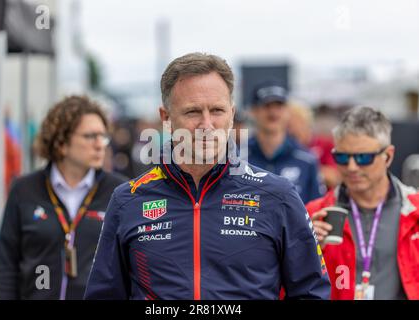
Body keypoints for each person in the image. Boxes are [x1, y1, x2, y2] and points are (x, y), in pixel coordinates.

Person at [84, 53, 330, 300]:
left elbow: (311, 292)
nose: (207, 124)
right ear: (166, 118)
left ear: (232, 114)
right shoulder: (128, 200)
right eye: (192, 112)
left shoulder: (278, 195)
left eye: (217, 110)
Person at [0, 95, 126, 299]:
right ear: (61, 142)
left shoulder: (120, 192)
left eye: (103, 136)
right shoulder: (24, 189)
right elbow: (7, 265)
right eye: (90, 136)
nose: (100, 144)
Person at [308, 106, 419, 300]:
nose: (351, 167)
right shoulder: (315, 213)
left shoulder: (415, 212)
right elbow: (290, 287)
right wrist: (308, 251)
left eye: (363, 158)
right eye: (341, 157)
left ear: (388, 156)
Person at [247, 83, 324, 204]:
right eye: (266, 106)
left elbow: (317, 207)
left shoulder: (307, 160)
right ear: (253, 111)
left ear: (288, 111)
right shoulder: (237, 158)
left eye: (279, 106)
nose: (273, 112)